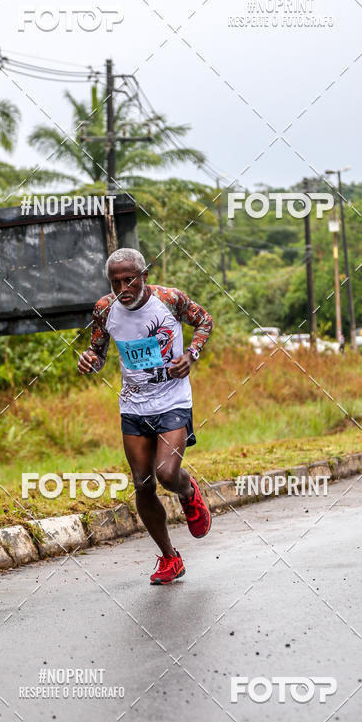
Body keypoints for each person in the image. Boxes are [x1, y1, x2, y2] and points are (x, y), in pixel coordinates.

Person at [78, 247, 213, 584]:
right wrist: (90, 362)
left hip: (172, 400)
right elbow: (98, 351)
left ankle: (187, 491)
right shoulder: (104, 309)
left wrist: (191, 355)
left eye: (129, 280)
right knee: (142, 483)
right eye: (116, 281)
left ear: (144, 277)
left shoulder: (170, 299)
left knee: (167, 473)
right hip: (134, 406)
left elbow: (204, 321)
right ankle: (170, 558)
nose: (123, 288)